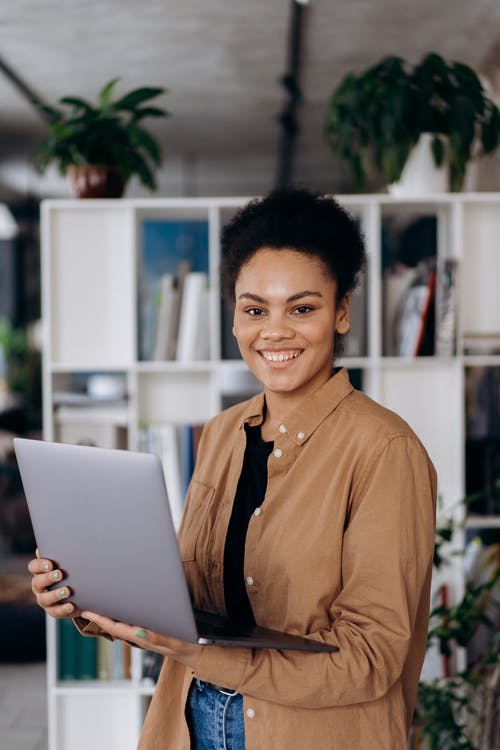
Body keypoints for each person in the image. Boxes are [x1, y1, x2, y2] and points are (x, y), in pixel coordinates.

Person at [29, 187, 437, 750]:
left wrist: (209, 657)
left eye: (302, 307)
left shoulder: (385, 449)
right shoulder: (223, 432)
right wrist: (87, 596)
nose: (273, 332)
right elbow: (186, 596)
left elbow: (370, 659)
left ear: (341, 310)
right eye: (253, 309)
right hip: (190, 719)